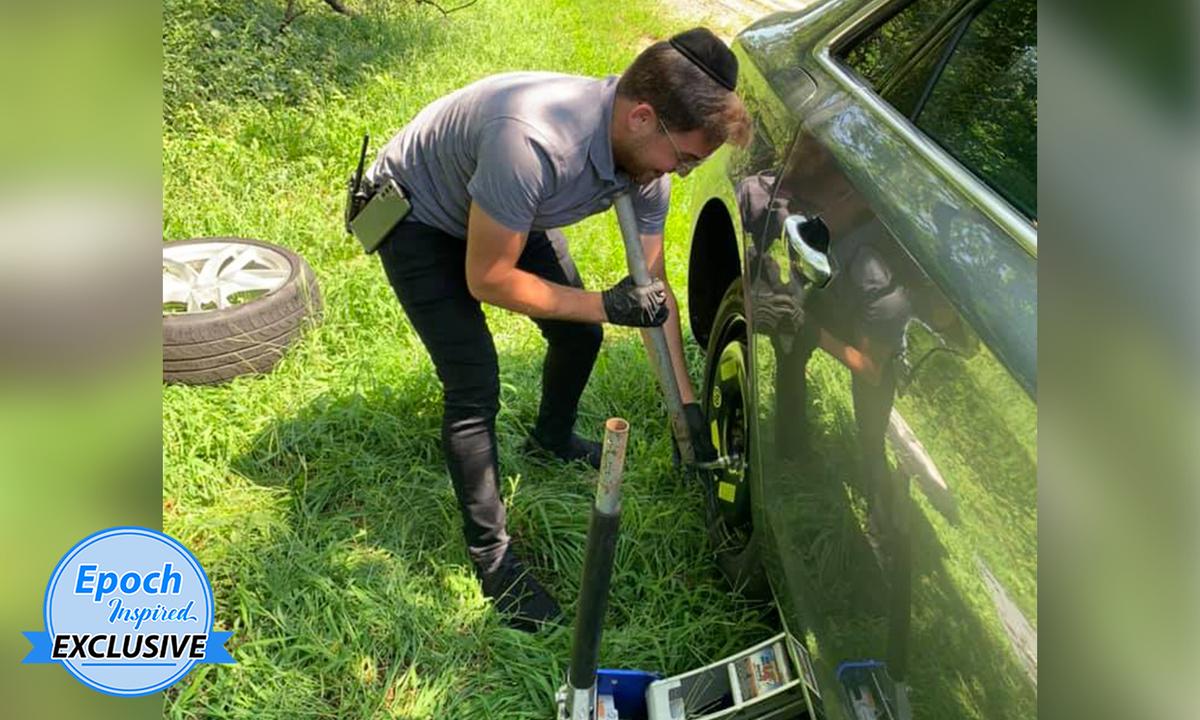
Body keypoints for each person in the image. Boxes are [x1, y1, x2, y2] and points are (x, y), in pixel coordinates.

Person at [362, 27, 751, 632]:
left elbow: (653, 287)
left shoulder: (646, 164)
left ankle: (550, 438)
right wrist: (605, 303)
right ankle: (493, 560)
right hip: (420, 213)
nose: (681, 171)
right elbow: (488, 279)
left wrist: (689, 412)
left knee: (578, 335)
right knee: (475, 385)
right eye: (685, 158)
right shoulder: (534, 143)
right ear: (643, 117)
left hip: (507, 206)